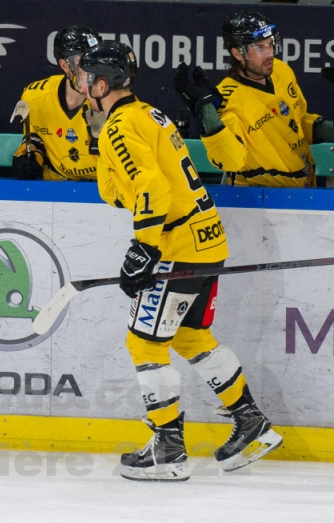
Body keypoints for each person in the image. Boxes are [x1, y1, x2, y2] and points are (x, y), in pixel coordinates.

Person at [75, 41, 283, 481]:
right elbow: (128, 189)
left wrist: (144, 247)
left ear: (102, 84)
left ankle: (168, 449)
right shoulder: (149, 114)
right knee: (191, 337)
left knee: (144, 343)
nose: (81, 85)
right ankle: (251, 422)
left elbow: (153, 188)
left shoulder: (119, 126)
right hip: (207, 239)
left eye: (86, 78)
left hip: (177, 248)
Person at [173, 10, 334, 188]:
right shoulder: (229, 99)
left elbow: (296, 121)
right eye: (259, 48)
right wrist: (208, 112)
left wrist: (326, 129)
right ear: (237, 53)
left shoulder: (281, 71)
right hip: (260, 196)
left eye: (270, 44)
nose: (269, 53)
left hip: (305, 188)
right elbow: (230, 160)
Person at [11, 25, 105, 181]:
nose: (93, 68)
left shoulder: (111, 98)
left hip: (103, 186)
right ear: (64, 65)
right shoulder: (35, 97)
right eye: (84, 60)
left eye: (96, 59)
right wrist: (32, 155)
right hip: (56, 186)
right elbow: (36, 137)